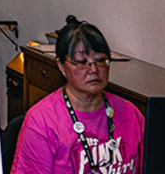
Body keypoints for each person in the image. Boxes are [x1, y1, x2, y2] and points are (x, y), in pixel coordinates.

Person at [12, 16, 144, 174]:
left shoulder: (131, 114)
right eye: (82, 62)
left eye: (100, 60)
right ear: (62, 66)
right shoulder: (41, 122)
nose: (93, 69)